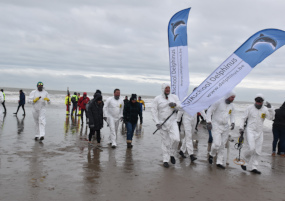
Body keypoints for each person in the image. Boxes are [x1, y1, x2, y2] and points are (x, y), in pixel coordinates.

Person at [239, 94, 275, 174]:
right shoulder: (249, 108)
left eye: (260, 101)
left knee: (258, 151)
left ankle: (254, 167)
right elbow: (243, 118)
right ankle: (244, 160)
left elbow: (271, 118)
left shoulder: (265, 109)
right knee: (251, 148)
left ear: (262, 102)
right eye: (257, 101)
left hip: (259, 132)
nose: (258, 103)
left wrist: (271, 109)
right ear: (255, 101)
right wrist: (241, 128)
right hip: (250, 130)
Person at [151, 83, 181, 168]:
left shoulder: (174, 97)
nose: (168, 89)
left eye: (169, 88)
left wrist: (175, 105)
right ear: (163, 89)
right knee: (165, 142)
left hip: (172, 122)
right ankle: (165, 160)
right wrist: (156, 122)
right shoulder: (157, 99)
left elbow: (181, 107)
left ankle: (172, 154)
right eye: (166, 88)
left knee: (176, 139)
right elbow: (153, 111)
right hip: (162, 124)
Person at [206, 91, 236, 169]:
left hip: (225, 127)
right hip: (216, 125)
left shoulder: (232, 106)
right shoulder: (218, 102)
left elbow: (232, 115)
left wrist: (233, 122)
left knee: (222, 145)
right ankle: (212, 155)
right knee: (216, 144)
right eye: (232, 97)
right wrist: (208, 121)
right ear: (228, 96)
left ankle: (219, 162)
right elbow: (209, 111)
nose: (233, 99)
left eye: (234, 98)